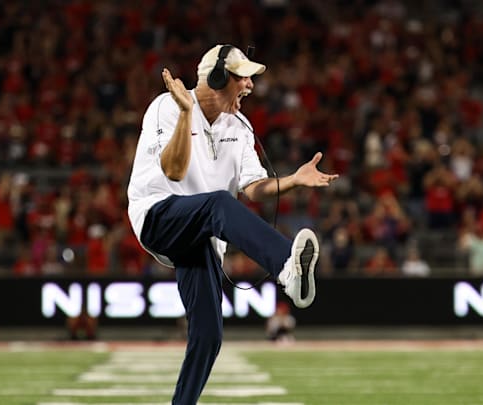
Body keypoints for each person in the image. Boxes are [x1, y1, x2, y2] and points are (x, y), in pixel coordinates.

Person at [126, 44, 339, 404]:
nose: (250, 86)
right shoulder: (166, 106)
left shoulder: (240, 126)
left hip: (202, 233)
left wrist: (293, 179)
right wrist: (184, 113)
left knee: (208, 336)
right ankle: (287, 268)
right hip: (159, 216)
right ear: (218, 77)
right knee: (219, 205)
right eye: (242, 77)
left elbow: (253, 188)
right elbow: (175, 171)